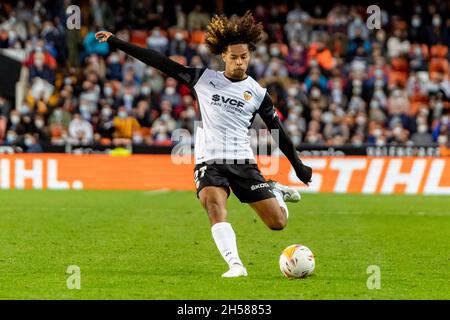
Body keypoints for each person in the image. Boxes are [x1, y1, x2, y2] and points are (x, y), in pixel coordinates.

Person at [95, 11, 312, 278]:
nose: (239, 62)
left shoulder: (257, 93)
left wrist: (298, 166)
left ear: (250, 56)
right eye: (234, 57)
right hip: (209, 160)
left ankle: (274, 189)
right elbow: (160, 62)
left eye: (244, 57)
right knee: (213, 205)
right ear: (224, 56)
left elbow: (278, 132)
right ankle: (236, 265)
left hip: (242, 161)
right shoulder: (204, 79)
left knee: (277, 223)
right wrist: (117, 42)